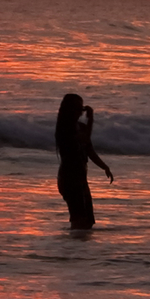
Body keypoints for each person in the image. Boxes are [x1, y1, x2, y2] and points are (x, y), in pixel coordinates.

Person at [54, 93, 114, 229]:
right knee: (78, 219)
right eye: (76, 108)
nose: (79, 112)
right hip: (69, 178)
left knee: (88, 220)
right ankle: (73, 248)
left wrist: (104, 167)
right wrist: (91, 120)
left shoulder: (80, 127)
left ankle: (80, 249)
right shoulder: (64, 129)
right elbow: (85, 138)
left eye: (81, 109)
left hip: (81, 177)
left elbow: (89, 150)